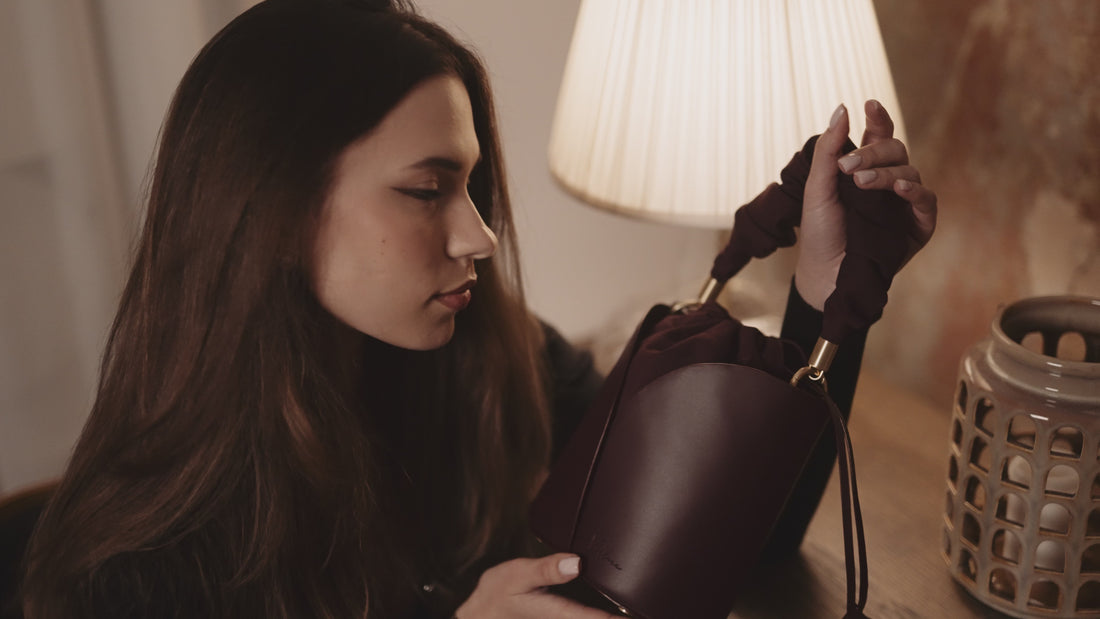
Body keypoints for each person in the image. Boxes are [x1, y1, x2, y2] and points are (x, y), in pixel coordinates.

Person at [19, 0, 937, 617]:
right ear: (273, 212)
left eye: (470, 185)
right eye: (426, 190)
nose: (480, 235)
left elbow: (742, 534)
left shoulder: (502, 360)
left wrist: (829, 297)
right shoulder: (132, 572)